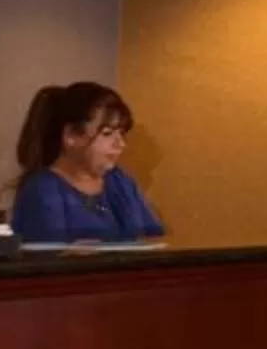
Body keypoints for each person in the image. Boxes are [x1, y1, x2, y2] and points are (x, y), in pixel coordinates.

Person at [8, 81, 165, 243]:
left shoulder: (119, 181)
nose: (120, 144)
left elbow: (148, 236)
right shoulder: (43, 189)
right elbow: (50, 252)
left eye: (121, 134)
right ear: (71, 136)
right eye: (107, 133)